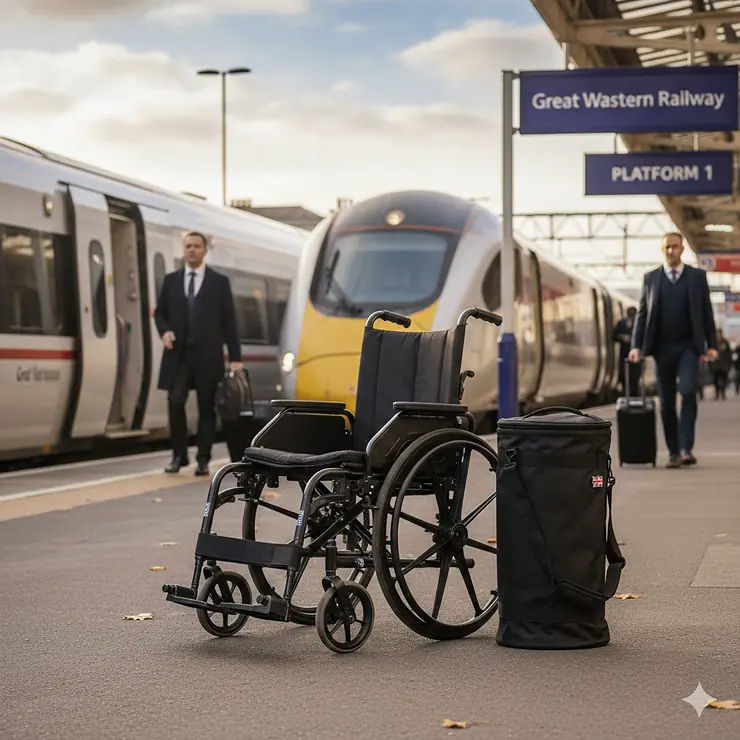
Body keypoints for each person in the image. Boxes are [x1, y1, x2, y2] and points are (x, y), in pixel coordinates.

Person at [154, 231, 243, 476]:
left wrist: (235, 357)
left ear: (205, 250)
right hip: (178, 356)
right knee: (175, 402)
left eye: (196, 246)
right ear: (183, 250)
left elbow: (229, 322)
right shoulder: (171, 281)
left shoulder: (219, 282)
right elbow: (159, 313)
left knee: (207, 407)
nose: (192, 250)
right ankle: (179, 456)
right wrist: (165, 331)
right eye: (188, 246)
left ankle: (203, 459)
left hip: (208, 356)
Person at [628, 231, 718, 468]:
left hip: (689, 346)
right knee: (667, 402)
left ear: (682, 249)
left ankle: (687, 447)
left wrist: (712, 346)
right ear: (662, 250)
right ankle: (674, 452)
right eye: (667, 247)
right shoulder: (651, 279)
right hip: (661, 348)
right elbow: (642, 314)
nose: (671, 251)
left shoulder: (697, 277)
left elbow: (707, 313)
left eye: (675, 247)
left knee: (688, 391)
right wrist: (636, 346)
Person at [612, 306, 640, 395]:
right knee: (624, 375)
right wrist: (622, 337)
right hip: (624, 354)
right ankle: (625, 393)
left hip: (636, 356)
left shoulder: (639, 324)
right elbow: (613, 336)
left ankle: (633, 394)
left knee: (634, 377)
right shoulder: (621, 323)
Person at [708, 329, 732, 400]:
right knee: (715, 380)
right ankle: (717, 394)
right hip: (715, 365)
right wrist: (710, 364)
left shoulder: (725, 342)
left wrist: (729, 364)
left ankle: (723, 393)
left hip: (723, 364)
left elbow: (729, 354)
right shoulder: (713, 343)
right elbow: (709, 354)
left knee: (723, 379)